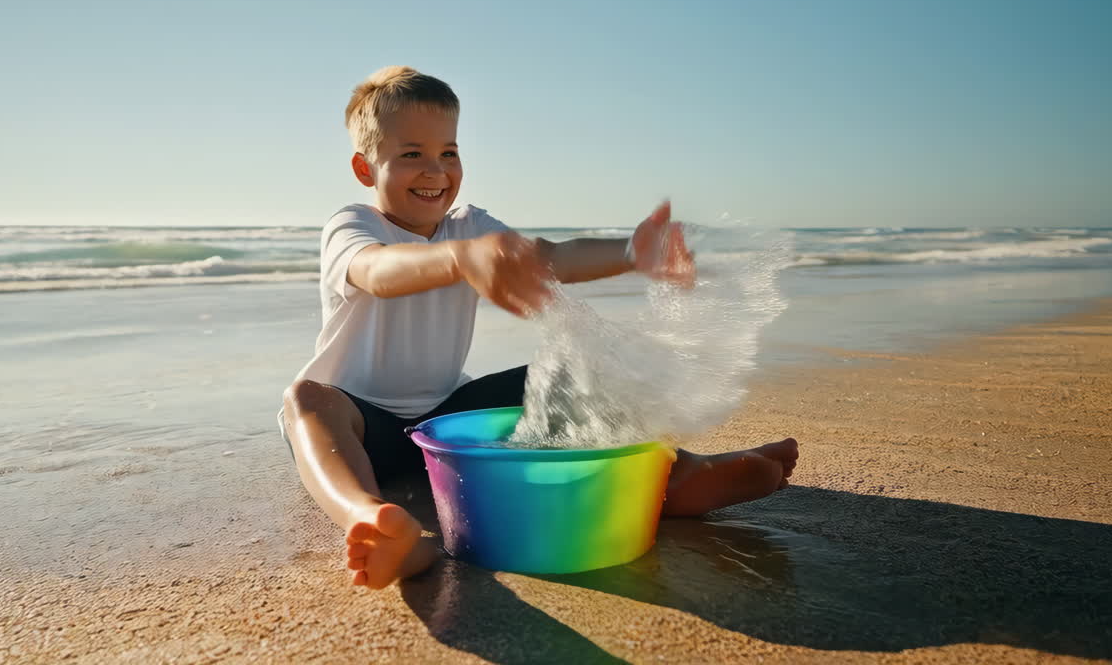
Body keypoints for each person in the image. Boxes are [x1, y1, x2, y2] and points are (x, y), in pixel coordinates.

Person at [280, 66, 798, 590]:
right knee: (306, 397)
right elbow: (377, 272)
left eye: (449, 152)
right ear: (365, 169)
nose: (435, 170)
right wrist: (459, 259)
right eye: (411, 154)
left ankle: (674, 476)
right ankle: (372, 519)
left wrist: (631, 253)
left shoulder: (471, 226)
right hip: (356, 425)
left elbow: (547, 257)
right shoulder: (354, 225)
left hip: (444, 420)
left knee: (570, 371)